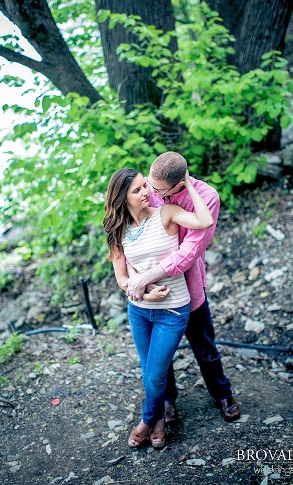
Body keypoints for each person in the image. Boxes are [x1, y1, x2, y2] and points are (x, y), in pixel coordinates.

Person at [125, 152, 240, 423]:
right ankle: (167, 401)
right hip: (153, 290)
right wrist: (141, 280)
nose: (151, 193)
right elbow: (130, 236)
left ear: (179, 184)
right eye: (149, 186)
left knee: (205, 347)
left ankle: (222, 394)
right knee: (159, 353)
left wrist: (143, 278)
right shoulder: (150, 190)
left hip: (190, 288)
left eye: (158, 190)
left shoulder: (206, 197)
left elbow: (189, 252)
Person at [103, 167, 213, 449]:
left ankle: (145, 420)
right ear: (121, 198)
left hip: (173, 310)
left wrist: (187, 182)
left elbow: (204, 219)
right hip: (138, 309)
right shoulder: (117, 231)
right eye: (137, 190)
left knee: (155, 373)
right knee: (148, 368)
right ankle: (161, 420)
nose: (146, 192)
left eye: (145, 186)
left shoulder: (166, 213)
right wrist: (146, 292)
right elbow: (122, 279)